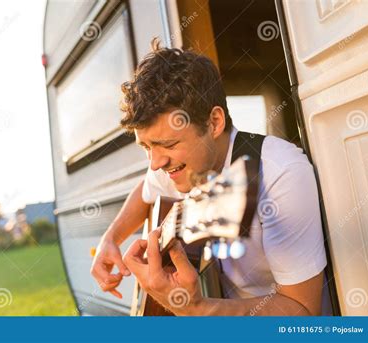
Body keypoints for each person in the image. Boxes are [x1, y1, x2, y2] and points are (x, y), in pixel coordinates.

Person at [90, 39, 327, 316]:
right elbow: (146, 191)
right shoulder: (177, 167)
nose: (155, 164)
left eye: (167, 144)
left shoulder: (279, 173)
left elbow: (302, 309)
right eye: (146, 147)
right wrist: (111, 239)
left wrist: (197, 309)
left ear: (214, 122)